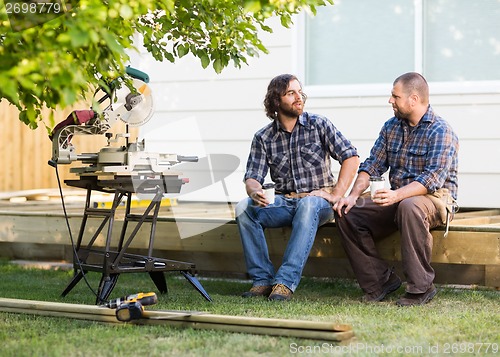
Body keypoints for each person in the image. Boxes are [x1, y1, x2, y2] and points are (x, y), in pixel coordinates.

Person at [334, 72, 459, 306]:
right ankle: (380, 281)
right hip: (399, 199)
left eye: (395, 96)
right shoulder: (391, 127)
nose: (390, 101)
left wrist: (396, 195)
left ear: (413, 99)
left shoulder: (441, 131)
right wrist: (351, 196)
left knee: (410, 206)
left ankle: (421, 288)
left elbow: (432, 179)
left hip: (435, 200)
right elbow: (372, 165)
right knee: (347, 211)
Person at [235, 74, 359, 301]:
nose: (298, 97)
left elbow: (351, 157)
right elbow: (252, 177)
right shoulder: (263, 137)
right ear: (276, 101)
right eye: (291, 93)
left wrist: (336, 194)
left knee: (309, 204)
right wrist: (254, 192)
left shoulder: (319, 125)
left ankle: (285, 281)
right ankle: (262, 280)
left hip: (319, 202)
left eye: (300, 92)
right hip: (284, 201)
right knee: (244, 208)